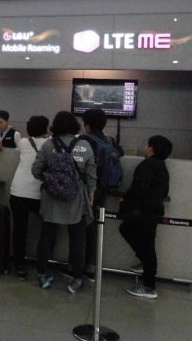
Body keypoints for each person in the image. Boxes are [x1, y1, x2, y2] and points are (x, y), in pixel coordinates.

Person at [31, 111, 96, 293]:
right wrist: (90, 198)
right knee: (77, 239)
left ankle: (42, 275)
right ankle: (77, 279)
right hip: (76, 199)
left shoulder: (48, 145)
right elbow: (91, 176)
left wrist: (49, 180)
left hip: (51, 198)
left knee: (46, 236)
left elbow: (36, 170)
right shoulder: (84, 145)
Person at [119, 135, 173, 299]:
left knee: (141, 242)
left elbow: (138, 188)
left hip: (143, 212)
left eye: (147, 145)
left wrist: (125, 199)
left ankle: (149, 286)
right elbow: (164, 191)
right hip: (154, 211)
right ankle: (145, 263)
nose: (145, 148)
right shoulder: (162, 166)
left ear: (152, 148)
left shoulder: (147, 165)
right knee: (146, 244)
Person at [78, 108, 124, 281]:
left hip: (86, 191)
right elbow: (121, 152)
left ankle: (77, 267)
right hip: (103, 190)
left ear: (87, 125)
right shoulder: (110, 140)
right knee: (94, 229)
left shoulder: (85, 140)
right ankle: (91, 266)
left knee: (80, 228)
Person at [9, 115, 49, 279]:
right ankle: (42, 266)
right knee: (47, 230)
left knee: (19, 230)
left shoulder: (23, 142)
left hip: (18, 191)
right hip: (39, 193)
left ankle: (20, 266)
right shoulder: (50, 143)